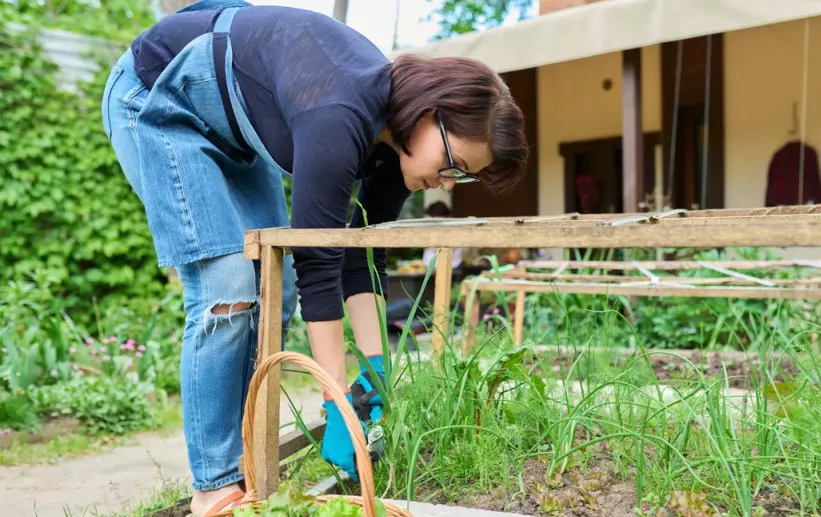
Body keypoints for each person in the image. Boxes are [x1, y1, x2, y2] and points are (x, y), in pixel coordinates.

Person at [100, 1, 528, 515]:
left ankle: (245, 469)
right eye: (454, 164)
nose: (445, 182)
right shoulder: (340, 114)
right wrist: (337, 401)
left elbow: (359, 259)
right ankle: (214, 486)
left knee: (270, 295)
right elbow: (317, 261)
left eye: (462, 176)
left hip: (234, 133)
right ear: (430, 113)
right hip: (158, 98)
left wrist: (374, 372)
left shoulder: (397, 144)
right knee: (228, 291)